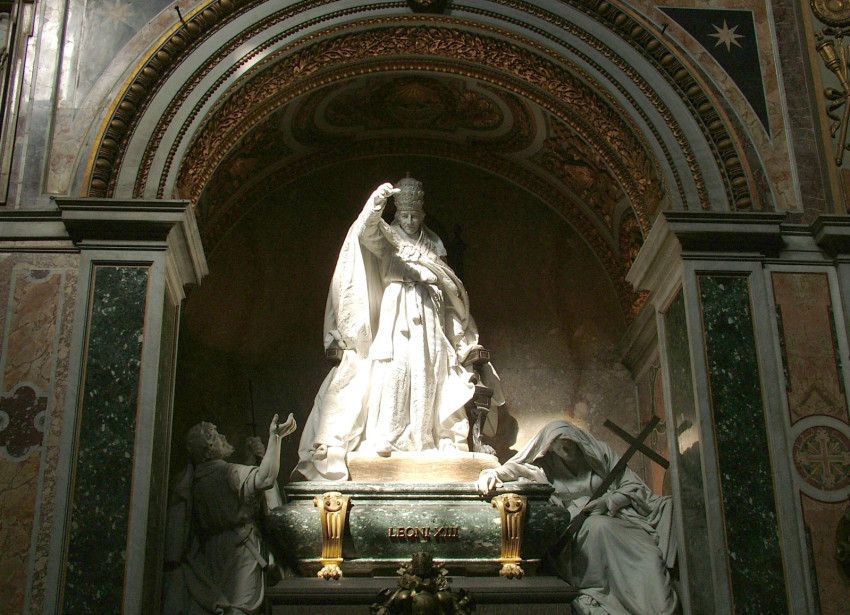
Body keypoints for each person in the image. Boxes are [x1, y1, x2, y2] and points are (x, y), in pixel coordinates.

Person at [294, 175, 502, 480]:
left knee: (428, 370)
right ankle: (387, 436)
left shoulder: (433, 242)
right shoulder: (387, 237)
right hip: (396, 312)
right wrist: (377, 202)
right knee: (395, 368)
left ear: (422, 213)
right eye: (404, 215)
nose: (410, 221)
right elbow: (366, 231)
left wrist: (458, 333)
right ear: (397, 214)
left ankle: (424, 438)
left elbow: (447, 285)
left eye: (415, 215)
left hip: (429, 314)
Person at [476, 420, 677, 615]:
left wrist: (608, 502)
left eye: (570, 444)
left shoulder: (599, 454)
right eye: (560, 446)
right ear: (549, 447)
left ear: (578, 440)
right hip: (577, 527)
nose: (567, 450)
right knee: (600, 528)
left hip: (617, 518)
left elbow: (632, 486)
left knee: (648, 555)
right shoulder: (544, 466)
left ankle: (657, 605)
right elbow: (515, 469)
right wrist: (492, 474)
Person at [163, 413, 296, 615]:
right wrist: (275, 439)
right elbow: (265, 479)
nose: (224, 437)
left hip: (211, 552)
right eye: (218, 435)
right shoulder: (227, 473)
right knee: (239, 609)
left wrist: (251, 459)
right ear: (209, 446)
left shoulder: (191, 479)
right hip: (240, 551)